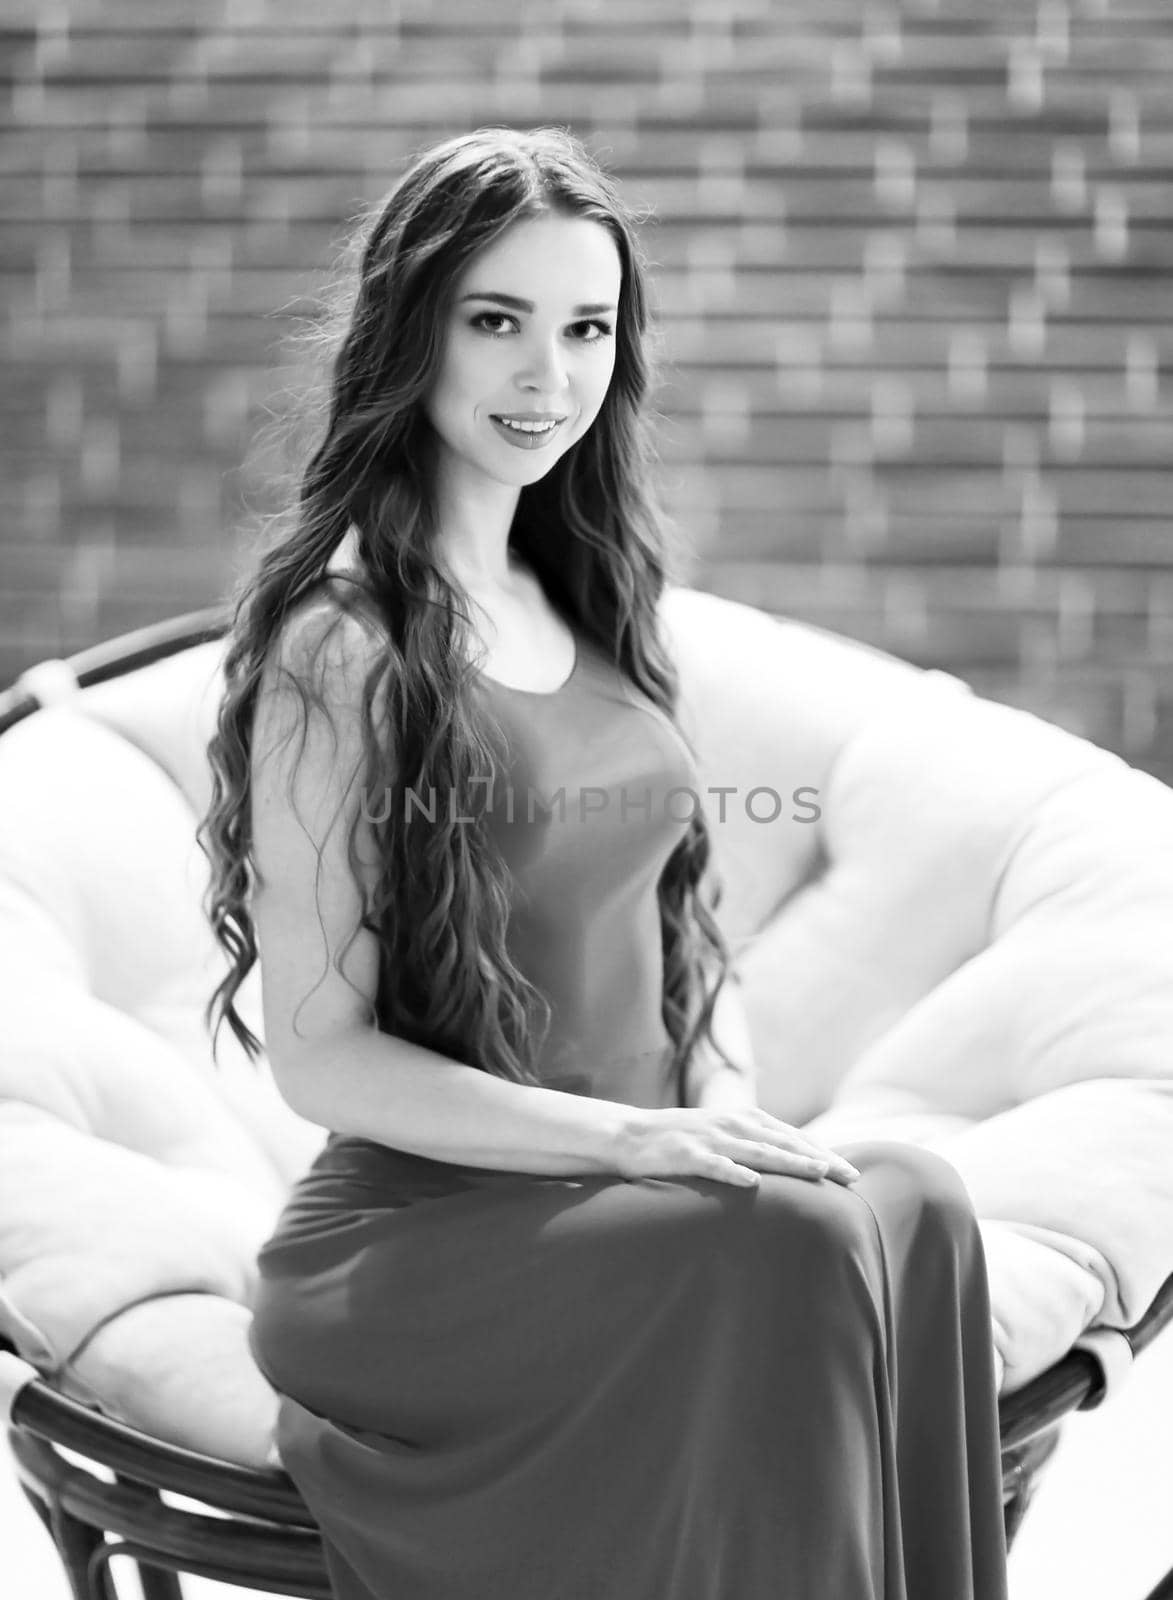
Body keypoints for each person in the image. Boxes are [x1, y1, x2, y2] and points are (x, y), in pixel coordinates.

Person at [200, 126, 1009, 1600]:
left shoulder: (589, 600)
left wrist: (719, 1121)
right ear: (408, 328)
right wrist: (633, 1147)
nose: (544, 376)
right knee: (803, 1239)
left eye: (585, 329)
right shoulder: (345, 642)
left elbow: (678, 946)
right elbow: (320, 1058)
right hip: (426, 1243)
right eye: (494, 320)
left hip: (639, 1198)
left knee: (914, 1204)